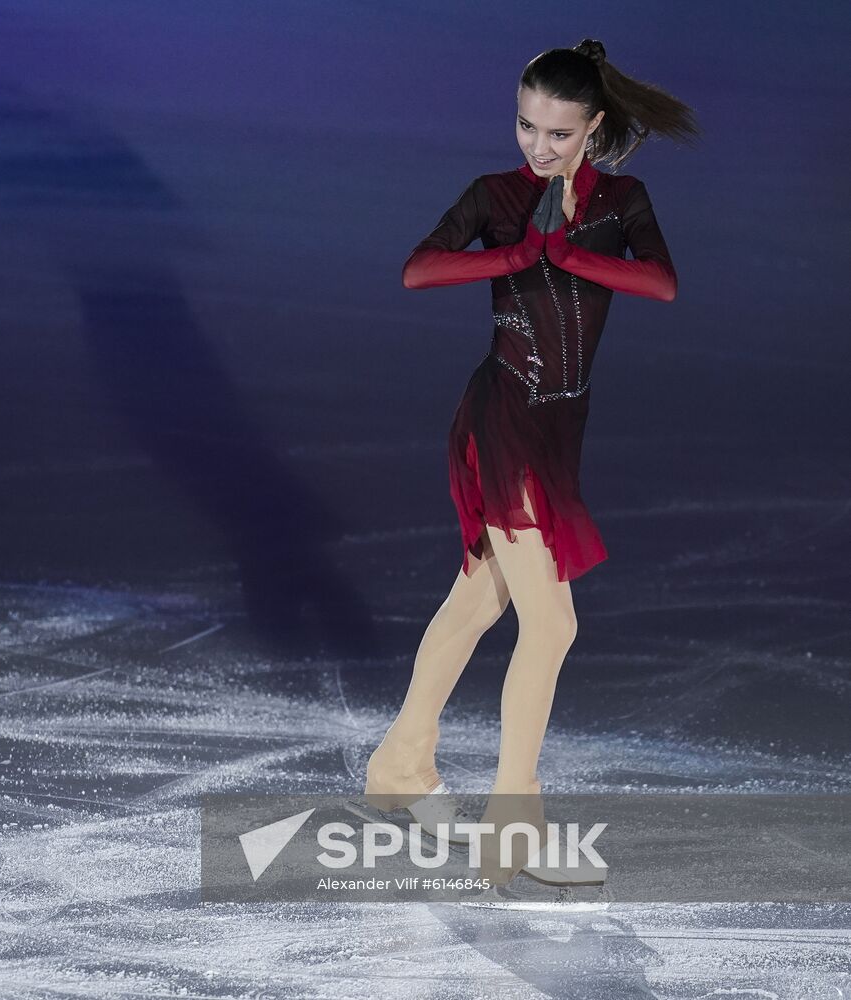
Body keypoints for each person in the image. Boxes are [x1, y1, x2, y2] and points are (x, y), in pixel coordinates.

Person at [366, 39, 700, 885]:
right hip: (502, 417)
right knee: (552, 624)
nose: (537, 146)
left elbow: (661, 283)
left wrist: (574, 251)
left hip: (560, 430)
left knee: (479, 600)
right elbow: (417, 270)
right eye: (525, 125)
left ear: (592, 126)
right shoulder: (497, 197)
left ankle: (401, 765)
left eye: (557, 132)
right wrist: (520, 253)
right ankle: (514, 826)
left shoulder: (622, 201)